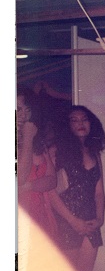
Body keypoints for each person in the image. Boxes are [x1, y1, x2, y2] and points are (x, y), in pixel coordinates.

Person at [48, 105, 105, 271]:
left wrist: (99, 218)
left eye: (84, 119)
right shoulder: (56, 151)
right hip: (66, 222)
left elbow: (99, 192)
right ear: (67, 125)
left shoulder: (94, 154)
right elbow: (50, 192)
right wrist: (73, 221)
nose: (80, 123)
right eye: (74, 120)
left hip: (90, 223)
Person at [16, 88, 58, 240]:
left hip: (42, 219)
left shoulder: (38, 141)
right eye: (17, 109)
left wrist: (28, 186)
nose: (22, 115)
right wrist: (27, 137)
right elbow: (19, 178)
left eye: (26, 109)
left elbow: (52, 181)